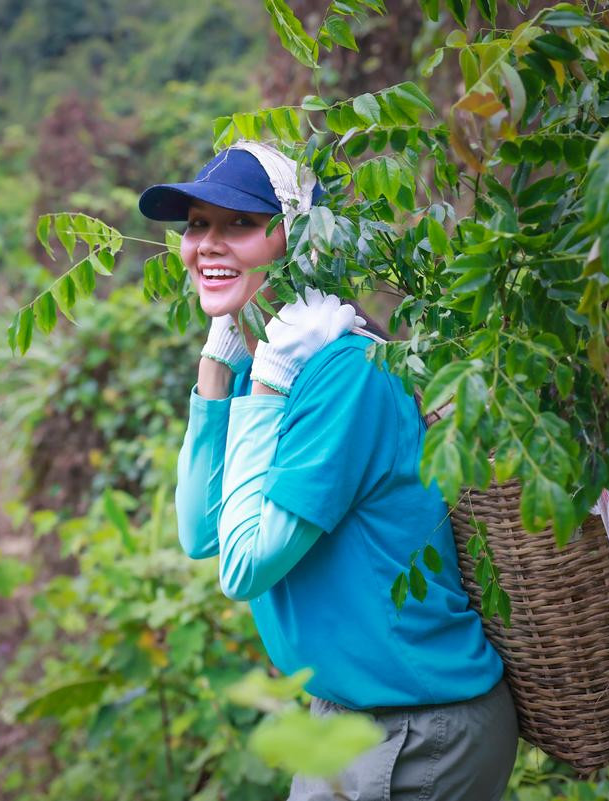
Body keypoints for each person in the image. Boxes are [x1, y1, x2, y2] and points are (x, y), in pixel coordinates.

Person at [139, 141, 518, 801]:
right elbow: (202, 530)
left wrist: (264, 389)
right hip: (348, 713)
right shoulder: (280, 368)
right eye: (197, 225)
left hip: (415, 728)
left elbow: (243, 565)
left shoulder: (344, 377)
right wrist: (217, 364)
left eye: (240, 224)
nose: (207, 244)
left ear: (298, 242)